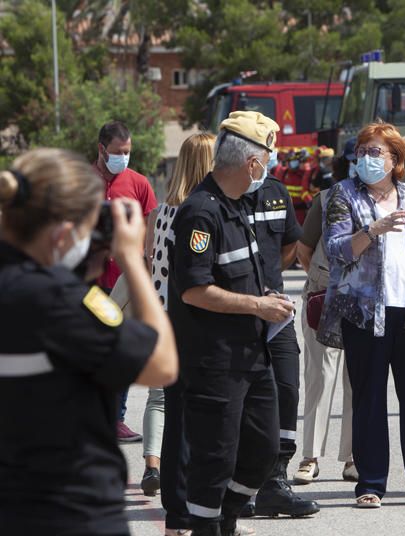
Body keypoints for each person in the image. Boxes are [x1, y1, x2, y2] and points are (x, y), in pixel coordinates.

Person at [0, 148, 178, 534]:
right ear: (63, 235)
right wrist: (133, 260)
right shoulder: (65, 303)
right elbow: (162, 363)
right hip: (71, 511)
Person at [318, 121, 405, 508]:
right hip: (364, 313)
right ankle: (370, 483)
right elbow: (336, 250)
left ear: (395, 158)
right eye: (362, 151)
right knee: (368, 399)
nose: (366, 158)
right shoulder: (343, 195)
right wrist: (373, 230)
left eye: (375, 151)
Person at [168, 111, 291, 536]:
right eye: (269, 158)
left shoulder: (237, 205)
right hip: (214, 361)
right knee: (215, 459)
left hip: (251, 354)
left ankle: (228, 519)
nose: (272, 167)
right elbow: (194, 291)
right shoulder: (200, 213)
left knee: (263, 450)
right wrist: (257, 306)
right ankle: (208, 527)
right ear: (252, 164)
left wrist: (266, 301)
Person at [241, 138, 319, 519]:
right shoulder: (215, 196)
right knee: (242, 397)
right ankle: (239, 485)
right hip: (237, 312)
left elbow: (291, 244)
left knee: (287, 388)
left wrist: (270, 278)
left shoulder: (274, 191)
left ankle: (276, 480)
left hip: (278, 311)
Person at [141, 132, 216, 534]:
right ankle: (193, 503)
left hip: (162, 321)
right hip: (193, 321)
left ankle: (175, 506)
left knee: (174, 416)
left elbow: (152, 263)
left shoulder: (161, 211)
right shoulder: (201, 211)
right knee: (202, 420)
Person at [292, 151, 357, 485]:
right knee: (319, 376)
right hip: (326, 296)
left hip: (366, 301)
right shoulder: (327, 198)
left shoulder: (390, 200)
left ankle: (353, 457)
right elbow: (304, 250)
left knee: (358, 381)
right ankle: (310, 457)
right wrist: (324, 281)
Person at [94, 120, 158, 443]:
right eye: (119, 152)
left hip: (124, 286)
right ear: (102, 150)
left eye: (128, 152)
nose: (124, 158)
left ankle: (116, 419)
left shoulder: (139, 183)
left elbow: (153, 231)